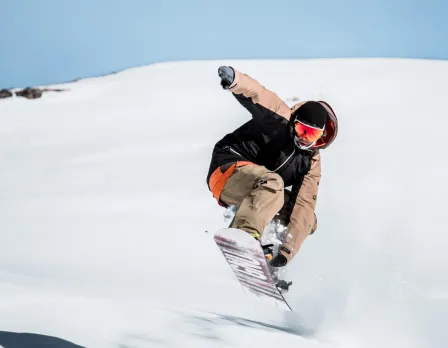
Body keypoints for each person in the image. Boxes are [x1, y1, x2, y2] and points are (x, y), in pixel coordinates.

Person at [207, 66, 338, 267]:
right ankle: (244, 236)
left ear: (321, 136)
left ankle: (268, 258)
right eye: (301, 129)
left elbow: (302, 207)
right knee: (273, 183)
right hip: (227, 171)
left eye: (311, 134)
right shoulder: (279, 117)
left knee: (307, 219)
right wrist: (235, 80)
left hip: (260, 189)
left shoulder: (311, 162)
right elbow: (258, 93)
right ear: (294, 122)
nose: (304, 138)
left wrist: (285, 252)